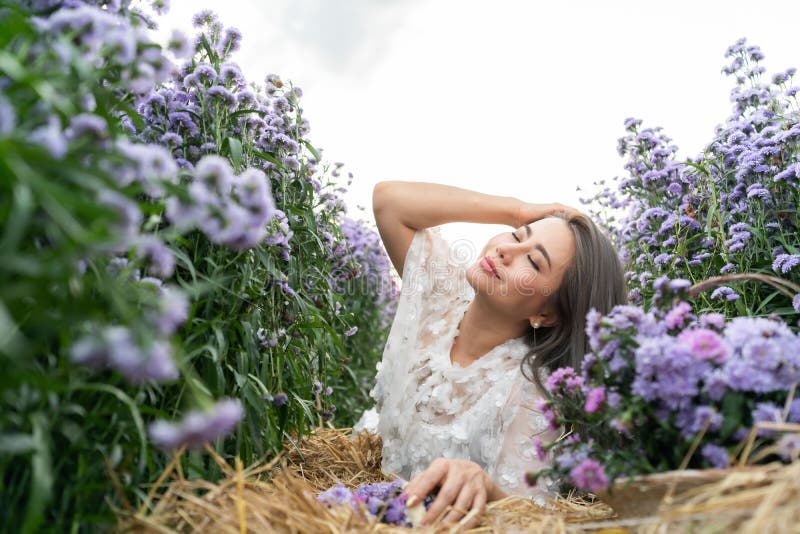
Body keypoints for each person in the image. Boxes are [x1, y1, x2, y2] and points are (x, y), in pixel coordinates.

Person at [354, 181, 627, 528]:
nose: (505, 251)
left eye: (532, 260)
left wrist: (482, 484)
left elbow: (528, 519)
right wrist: (518, 211)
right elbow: (390, 201)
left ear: (546, 314)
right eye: (516, 236)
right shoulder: (440, 299)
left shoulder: (530, 393)